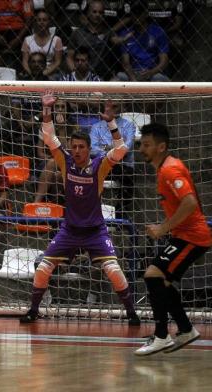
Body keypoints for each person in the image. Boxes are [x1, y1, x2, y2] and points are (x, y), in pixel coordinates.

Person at [19, 91, 140, 326]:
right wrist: (46, 110)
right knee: (44, 267)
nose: (76, 150)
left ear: (88, 148)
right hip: (70, 230)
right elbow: (49, 137)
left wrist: (111, 122)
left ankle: (131, 313)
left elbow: (121, 149)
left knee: (114, 270)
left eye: (81, 147)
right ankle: (33, 310)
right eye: (73, 146)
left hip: (95, 230)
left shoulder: (99, 165)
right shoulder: (65, 161)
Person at [134, 123, 212, 355]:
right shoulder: (164, 169)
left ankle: (161, 335)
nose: (141, 149)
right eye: (140, 144)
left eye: (146, 145)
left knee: (152, 275)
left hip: (193, 237)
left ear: (162, 147)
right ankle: (186, 330)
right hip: (185, 236)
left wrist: (162, 228)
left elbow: (189, 203)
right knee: (161, 282)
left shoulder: (170, 170)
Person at [90, 101, 136, 220]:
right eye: (108, 106)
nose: (111, 109)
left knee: (128, 177)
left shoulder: (129, 125)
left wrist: (107, 148)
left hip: (122, 165)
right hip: (102, 163)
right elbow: (93, 150)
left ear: (122, 107)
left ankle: (121, 214)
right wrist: (113, 150)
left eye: (115, 106)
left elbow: (126, 148)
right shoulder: (96, 127)